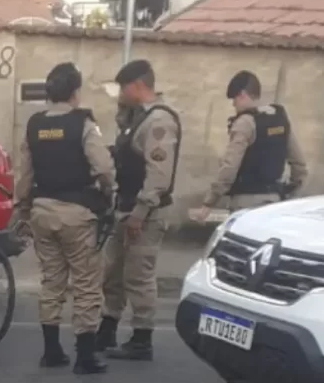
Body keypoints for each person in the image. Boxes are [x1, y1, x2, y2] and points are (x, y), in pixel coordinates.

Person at [14, 62, 115, 375]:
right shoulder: (83, 125)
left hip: (42, 213)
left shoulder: (34, 125)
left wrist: (23, 208)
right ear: (75, 92)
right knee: (85, 283)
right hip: (77, 214)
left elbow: (24, 176)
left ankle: (52, 351)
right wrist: (108, 194)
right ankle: (85, 356)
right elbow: (104, 168)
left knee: (52, 281)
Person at [95, 59, 181, 361]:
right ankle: (107, 328)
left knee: (139, 277)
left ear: (137, 86)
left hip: (146, 214)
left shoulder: (159, 121)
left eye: (122, 88)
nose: (119, 93)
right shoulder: (139, 118)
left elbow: (159, 175)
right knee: (113, 273)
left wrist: (140, 213)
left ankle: (142, 338)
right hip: (126, 207)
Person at [190, 71, 307, 221]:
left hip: (245, 203)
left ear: (242, 95)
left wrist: (208, 203)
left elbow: (229, 167)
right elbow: (299, 165)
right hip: (274, 202)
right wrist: (289, 194)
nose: (234, 104)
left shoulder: (245, 123)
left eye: (234, 99)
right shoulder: (280, 119)